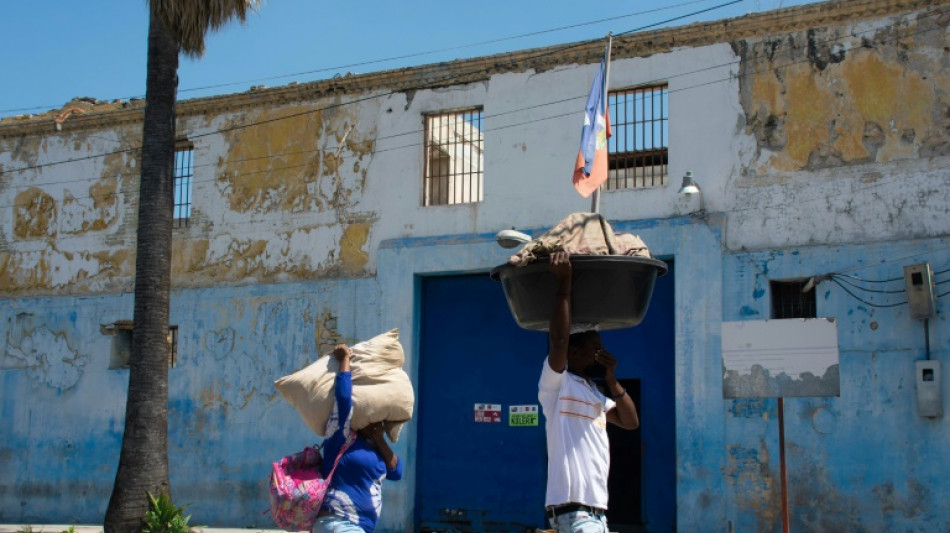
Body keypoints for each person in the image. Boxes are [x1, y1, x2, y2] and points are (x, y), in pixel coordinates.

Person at [538, 250, 640, 533]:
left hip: (597, 511)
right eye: (594, 347)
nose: (599, 353)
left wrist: (613, 379)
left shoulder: (594, 392)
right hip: (573, 510)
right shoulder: (556, 385)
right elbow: (558, 340)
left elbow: (631, 423)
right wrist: (564, 283)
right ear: (574, 351)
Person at [314, 344, 403, 533]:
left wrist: (380, 440)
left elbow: (397, 472)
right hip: (338, 522)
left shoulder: (376, 447)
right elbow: (344, 400)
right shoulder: (341, 436)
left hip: (358, 527)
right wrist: (345, 359)